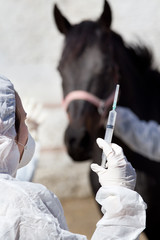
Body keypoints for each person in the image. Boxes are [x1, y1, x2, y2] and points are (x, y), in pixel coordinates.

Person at [0, 75, 146, 239]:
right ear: (8, 131)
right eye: (23, 120)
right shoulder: (21, 209)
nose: (27, 130)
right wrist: (121, 204)